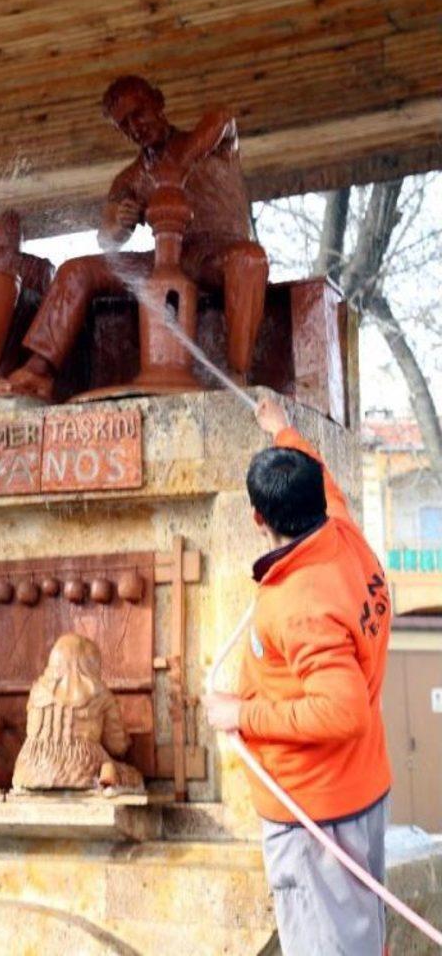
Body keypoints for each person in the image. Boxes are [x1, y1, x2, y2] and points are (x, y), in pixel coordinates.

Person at [204, 396, 391, 956]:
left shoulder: (300, 603)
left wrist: (239, 713)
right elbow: (321, 473)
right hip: (356, 791)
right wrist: (282, 431)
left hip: (317, 817)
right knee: (358, 937)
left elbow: (340, 710)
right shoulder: (341, 531)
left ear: (258, 518)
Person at [0, 75, 268, 400]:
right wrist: (120, 222)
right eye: (124, 125)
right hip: (166, 259)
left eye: (139, 114)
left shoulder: (211, 145)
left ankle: (238, 375)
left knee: (250, 259)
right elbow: (107, 239)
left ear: (158, 102)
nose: (135, 127)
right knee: (78, 270)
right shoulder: (131, 178)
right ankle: (37, 370)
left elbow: (224, 117)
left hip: (219, 252)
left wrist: (179, 165)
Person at [13, 632, 144, 790]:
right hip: (81, 769)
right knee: (129, 775)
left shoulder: (37, 691)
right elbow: (118, 746)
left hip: (29, 768)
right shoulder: (100, 694)